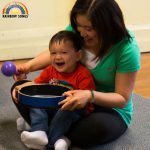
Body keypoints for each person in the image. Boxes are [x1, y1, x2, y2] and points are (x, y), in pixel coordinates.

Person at [11, 0, 141, 149]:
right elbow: (56, 52)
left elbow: (122, 98)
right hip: (68, 99)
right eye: (78, 25)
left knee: (95, 128)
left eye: (89, 28)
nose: (81, 33)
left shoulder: (127, 49)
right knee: (19, 90)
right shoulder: (77, 31)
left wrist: (89, 95)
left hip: (106, 107)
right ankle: (50, 131)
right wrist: (28, 67)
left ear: (108, 26)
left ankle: (42, 128)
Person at [12, 30, 95, 150]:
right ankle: (39, 132)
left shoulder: (83, 74)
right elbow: (36, 85)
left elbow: (86, 101)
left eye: (64, 52)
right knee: (36, 101)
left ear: (78, 55)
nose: (57, 57)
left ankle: (50, 142)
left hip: (74, 110)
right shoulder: (50, 70)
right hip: (52, 106)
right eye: (53, 53)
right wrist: (21, 86)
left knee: (65, 111)